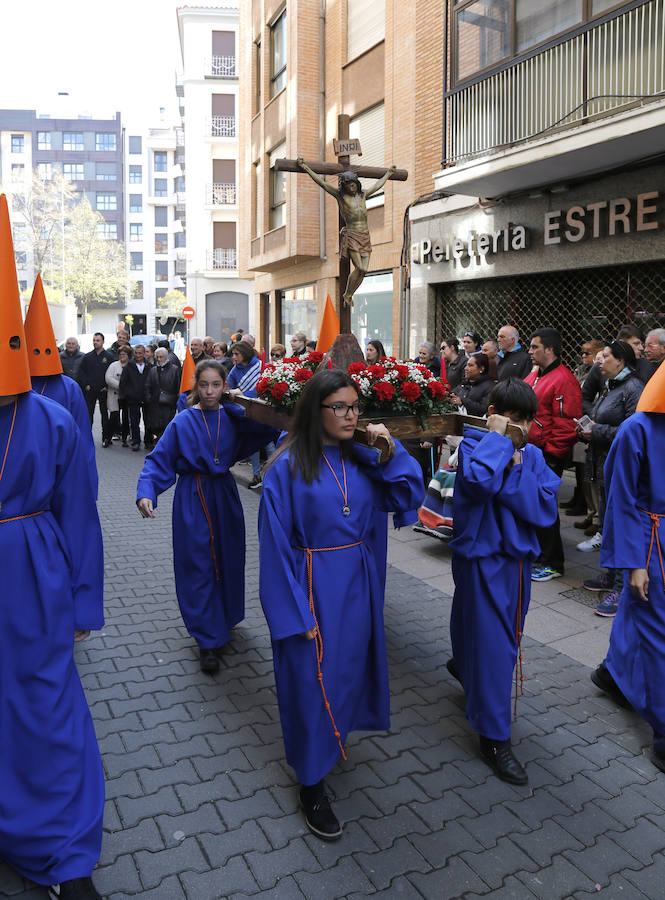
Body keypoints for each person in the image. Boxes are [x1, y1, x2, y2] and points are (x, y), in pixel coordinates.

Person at [258, 370, 423, 839]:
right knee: (309, 680)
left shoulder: (365, 458)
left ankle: (332, 742)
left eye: (355, 406)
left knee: (347, 670)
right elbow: (273, 546)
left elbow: (408, 495)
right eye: (340, 407)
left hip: (358, 584)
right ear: (317, 411)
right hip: (311, 585)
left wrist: (392, 449)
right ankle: (310, 781)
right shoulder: (287, 467)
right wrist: (296, 613)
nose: (351, 415)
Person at [0, 193, 105, 899]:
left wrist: (81, 601)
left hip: (33, 575)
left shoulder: (53, 417)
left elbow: (80, 516)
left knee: (45, 702)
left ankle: (64, 849)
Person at [448, 379, 560, 785]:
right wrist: (499, 444)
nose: (520, 427)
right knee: (494, 645)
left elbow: (546, 506)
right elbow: (479, 483)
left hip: (514, 562)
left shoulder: (529, 454)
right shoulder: (478, 444)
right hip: (482, 559)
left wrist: (511, 476)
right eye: (511, 418)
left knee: (492, 634)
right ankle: (494, 737)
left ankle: (466, 670)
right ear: (494, 413)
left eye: (524, 420)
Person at [137, 360, 277, 673]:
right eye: (204, 385)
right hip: (192, 496)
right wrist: (147, 491)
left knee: (227, 560)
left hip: (224, 496)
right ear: (195, 387)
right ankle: (206, 639)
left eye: (216, 385)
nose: (210, 391)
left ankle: (223, 621)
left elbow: (268, 426)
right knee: (197, 565)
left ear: (225, 386)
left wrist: (243, 406)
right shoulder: (183, 421)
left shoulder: (231, 416)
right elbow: (160, 460)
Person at [589, 359, 665, 774]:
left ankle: (611, 676)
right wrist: (634, 563)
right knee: (656, 633)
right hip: (650, 545)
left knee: (641, 617)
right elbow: (620, 497)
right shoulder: (637, 429)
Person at [576, 342, 643, 617]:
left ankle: (620, 588)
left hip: (621, 468)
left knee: (618, 525)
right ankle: (610, 574)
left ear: (621, 361)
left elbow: (633, 431)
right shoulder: (610, 384)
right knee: (607, 523)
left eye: (606, 357)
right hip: (604, 463)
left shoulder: (632, 388)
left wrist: (598, 431)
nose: (600, 362)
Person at [23, 275, 98, 499]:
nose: (40, 356)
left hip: (63, 474)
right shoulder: (15, 387)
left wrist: (88, 485)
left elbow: (83, 439)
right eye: (34, 351)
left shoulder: (69, 388)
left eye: (46, 351)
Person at [296, 158, 396, 307]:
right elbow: (322, 183)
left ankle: (349, 294)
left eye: (354, 184)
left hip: (365, 236)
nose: (352, 187)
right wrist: (306, 168)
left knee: (364, 271)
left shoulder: (363, 195)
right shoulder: (340, 196)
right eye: (349, 185)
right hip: (352, 235)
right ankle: (347, 294)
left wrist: (388, 174)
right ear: (344, 186)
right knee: (360, 267)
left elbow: (377, 185)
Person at [524, 328, 582, 582]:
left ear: (549, 349)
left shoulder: (563, 379)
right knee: (533, 504)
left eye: (535, 346)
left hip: (546, 455)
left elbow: (566, 423)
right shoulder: (536, 373)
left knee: (545, 506)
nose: (530, 351)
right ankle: (538, 553)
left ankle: (552, 562)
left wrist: (552, 457)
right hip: (531, 449)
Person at [565, 338, 605, 526]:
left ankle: (595, 515)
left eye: (588, 353)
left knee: (593, 473)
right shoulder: (581, 371)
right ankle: (588, 509)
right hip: (582, 422)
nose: (583, 356)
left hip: (595, 424)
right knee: (582, 467)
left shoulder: (602, 374)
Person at [227, 340, 264, 489]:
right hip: (246, 412)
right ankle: (257, 475)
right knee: (254, 443)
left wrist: (241, 392)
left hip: (261, 410)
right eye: (233, 354)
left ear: (245, 353)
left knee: (268, 444)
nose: (234, 357)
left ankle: (270, 473)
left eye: (237, 354)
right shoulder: (236, 369)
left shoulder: (260, 366)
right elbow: (228, 384)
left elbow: (263, 386)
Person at [77, 332, 115, 447]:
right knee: (88, 414)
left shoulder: (108, 357)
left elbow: (113, 372)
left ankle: (106, 438)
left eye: (97, 340)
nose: (95, 342)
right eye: (94, 340)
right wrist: (86, 385)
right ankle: (87, 438)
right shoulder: (87, 357)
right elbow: (81, 373)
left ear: (103, 342)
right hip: (90, 390)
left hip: (103, 390)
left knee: (104, 415)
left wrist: (107, 386)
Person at [120, 343, 151, 451]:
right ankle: (136, 441)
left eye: (140, 353)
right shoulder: (129, 366)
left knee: (148, 421)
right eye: (136, 353)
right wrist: (128, 394)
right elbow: (123, 383)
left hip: (147, 398)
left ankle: (148, 441)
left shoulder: (149, 366)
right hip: (133, 398)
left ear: (144, 354)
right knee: (134, 421)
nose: (138, 355)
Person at [145, 347, 180, 442]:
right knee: (156, 425)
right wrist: (148, 398)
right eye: (157, 357)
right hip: (155, 402)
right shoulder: (153, 370)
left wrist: (177, 400)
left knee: (167, 425)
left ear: (166, 357)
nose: (159, 359)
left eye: (161, 357)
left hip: (169, 402)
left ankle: (165, 444)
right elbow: (148, 385)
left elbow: (178, 386)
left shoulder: (174, 369)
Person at [449, 352, 494, 416]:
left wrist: (463, 401)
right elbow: (453, 394)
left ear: (481, 369)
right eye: (466, 365)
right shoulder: (465, 384)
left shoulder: (490, 387)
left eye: (470, 365)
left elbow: (485, 409)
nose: (466, 368)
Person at [105, 345, 132, 446]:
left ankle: (125, 438)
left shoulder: (131, 365)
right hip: (114, 395)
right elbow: (108, 378)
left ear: (128, 355)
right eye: (120, 354)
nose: (122, 356)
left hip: (126, 396)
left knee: (126, 418)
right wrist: (121, 385)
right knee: (113, 416)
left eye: (124, 354)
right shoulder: (113, 365)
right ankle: (108, 438)